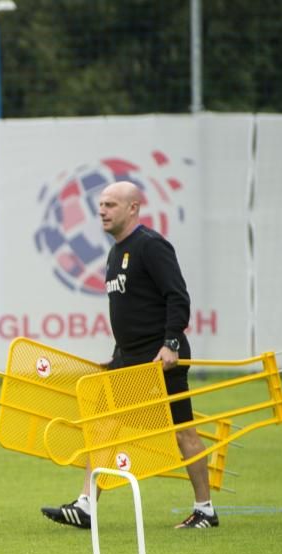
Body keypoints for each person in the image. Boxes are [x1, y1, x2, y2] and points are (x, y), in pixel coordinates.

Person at [41, 180, 217, 530]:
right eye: (101, 205)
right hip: (130, 358)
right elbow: (131, 310)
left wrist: (171, 344)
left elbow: (177, 296)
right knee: (102, 425)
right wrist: (117, 354)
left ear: (133, 208)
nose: (101, 211)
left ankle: (205, 510)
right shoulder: (114, 252)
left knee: (183, 432)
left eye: (110, 205)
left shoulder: (151, 246)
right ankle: (86, 505)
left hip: (159, 360)